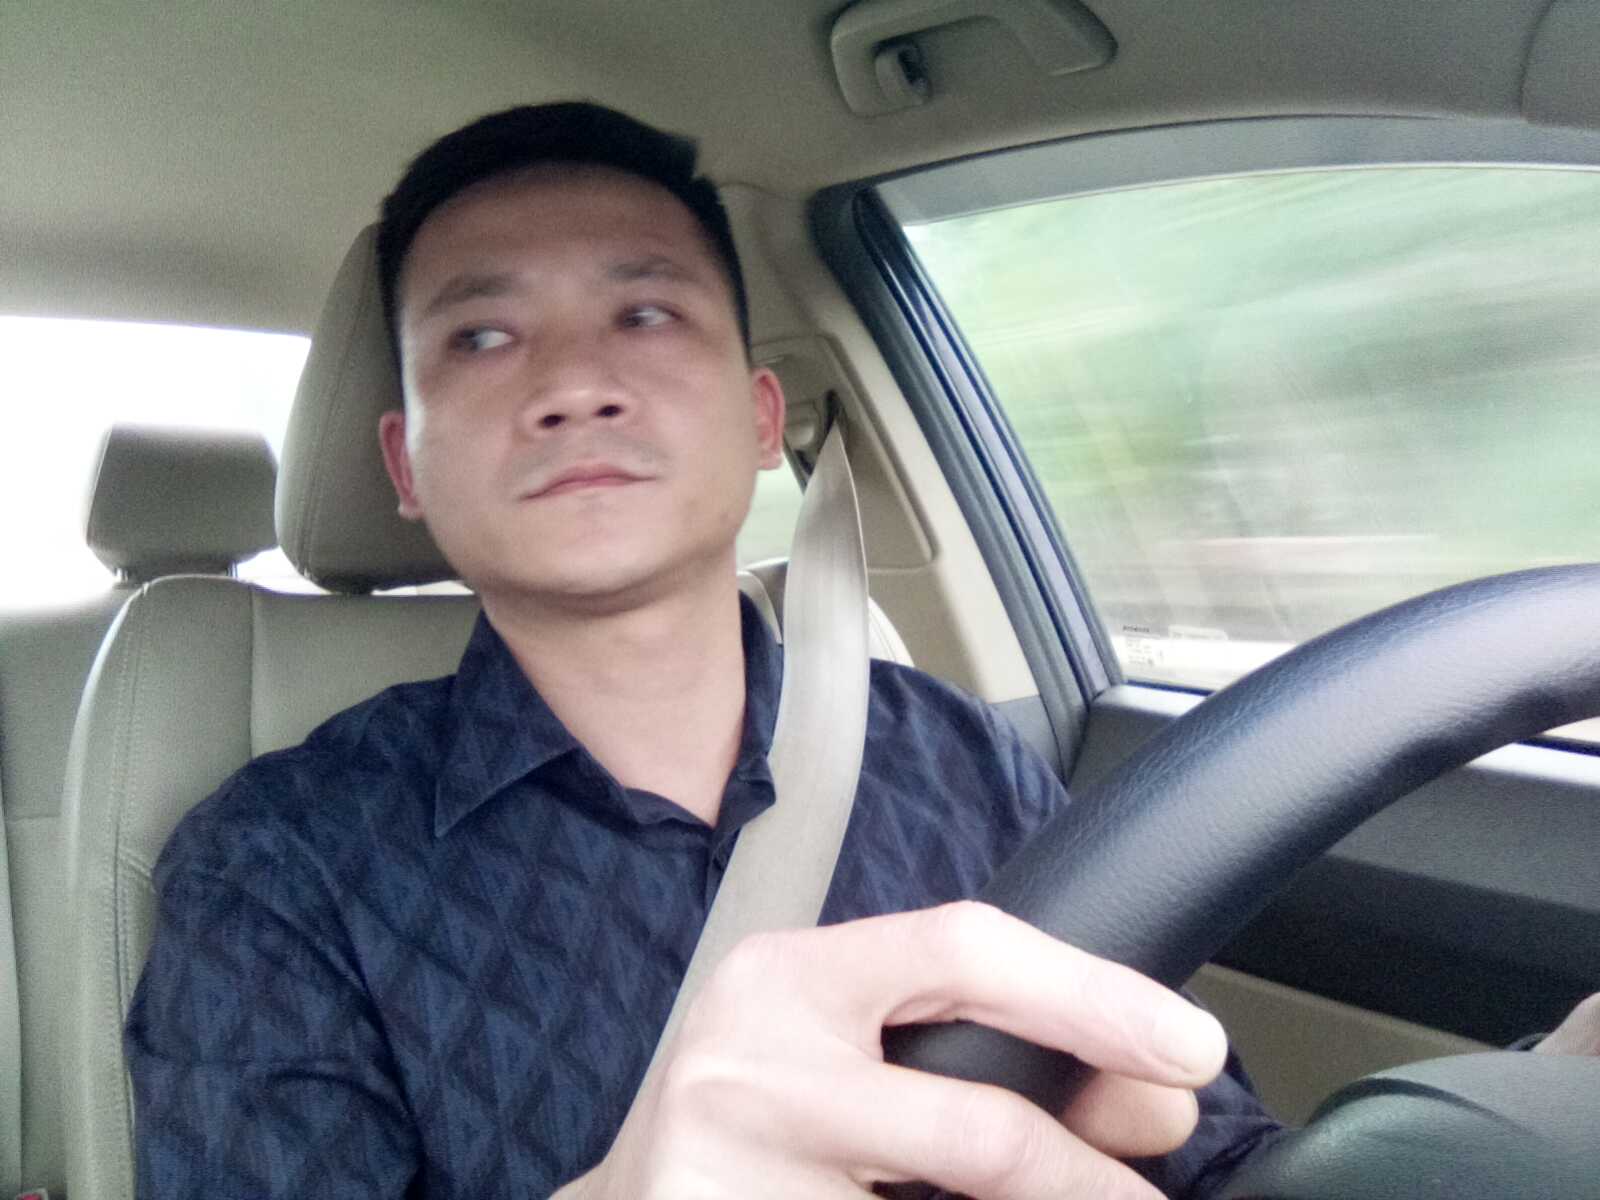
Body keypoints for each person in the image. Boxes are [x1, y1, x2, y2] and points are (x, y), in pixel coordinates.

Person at [124, 102, 1599, 1200]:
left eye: (646, 311)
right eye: (483, 339)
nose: (574, 382)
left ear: (762, 418)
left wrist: (1507, 1112)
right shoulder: (274, 866)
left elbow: (1196, 1151)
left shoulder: (952, 752)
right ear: (403, 463)